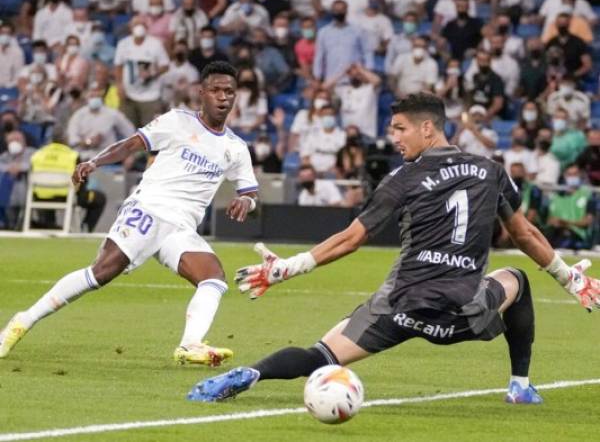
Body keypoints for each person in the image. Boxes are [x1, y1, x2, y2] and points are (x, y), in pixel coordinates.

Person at [189, 93, 600, 404]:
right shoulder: (491, 172)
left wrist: (288, 268)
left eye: (400, 128)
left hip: (401, 307)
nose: (394, 137)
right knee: (518, 280)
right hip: (463, 310)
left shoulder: (401, 179)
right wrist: (570, 277)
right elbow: (525, 234)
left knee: (321, 353)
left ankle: (250, 374)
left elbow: (352, 238)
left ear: (428, 128)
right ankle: (521, 386)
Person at [0, 61, 259, 366]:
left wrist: (247, 202)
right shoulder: (178, 121)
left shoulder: (236, 148)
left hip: (180, 227)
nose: (223, 97)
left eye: (229, 91)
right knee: (101, 273)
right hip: (149, 208)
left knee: (214, 278)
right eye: (216, 90)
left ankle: (190, 345)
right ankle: (22, 321)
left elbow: (250, 192)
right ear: (201, 93)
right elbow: (132, 144)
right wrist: (95, 162)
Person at [114, 17, 170, 128]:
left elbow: (165, 65)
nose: (139, 27)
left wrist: (152, 72)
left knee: (150, 131)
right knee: (128, 131)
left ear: (147, 27)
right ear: (130, 27)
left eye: (142, 24)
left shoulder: (155, 44)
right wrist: (119, 85)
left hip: (150, 96)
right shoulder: (123, 44)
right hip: (128, 95)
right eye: (136, 24)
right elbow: (118, 66)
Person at [545, 163, 595, 249]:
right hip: (556, 232)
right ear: (564, 176)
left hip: (577, 235)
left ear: (580, 175)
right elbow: (549, 220)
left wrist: (566, 223)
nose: (572, 177)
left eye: (575, 174)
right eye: (569, 174)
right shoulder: (556, 197)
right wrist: (554, 222)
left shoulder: (588, 195)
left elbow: (588, 221)